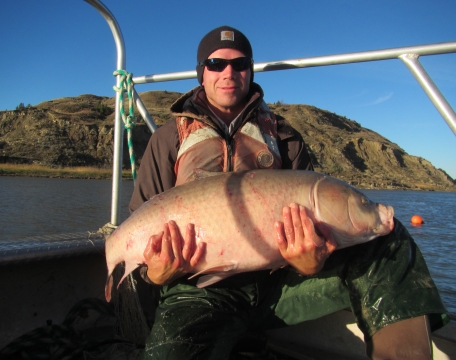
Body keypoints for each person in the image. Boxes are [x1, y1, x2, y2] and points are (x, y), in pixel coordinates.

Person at [128, 26, 449, 359]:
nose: (229, 72)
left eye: (240, 64)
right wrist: (154, 273)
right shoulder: (167, 139)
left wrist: (310, 262)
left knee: (389, 240)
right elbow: (139, 225)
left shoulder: (284, 135)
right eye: (215, 63)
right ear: (201, 72)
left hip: (280, 285)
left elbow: (317, 232)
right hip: (195, 294)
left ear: (250, 71)